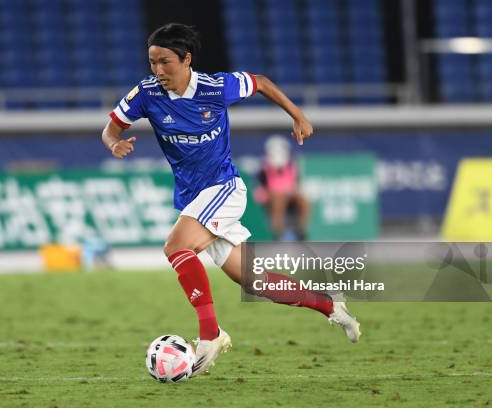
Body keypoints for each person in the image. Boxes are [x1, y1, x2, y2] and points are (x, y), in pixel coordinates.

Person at [101, 23, 360, 376]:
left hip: (224, 188)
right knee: (255, 281)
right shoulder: (146, 94)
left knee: (176, 248)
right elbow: (111, 127)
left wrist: (297, 115)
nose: (158, 70)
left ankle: (211, 334)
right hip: (194, 197)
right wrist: (114, 143)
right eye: (152, 62)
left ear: (186, 59)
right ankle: (329, 306)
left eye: (165, 62)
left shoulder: (216, 87)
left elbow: (262, 82)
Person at [255, 136, 310, 240]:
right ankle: (277, 233)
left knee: (304, 200)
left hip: (289, 196)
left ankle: (301, 231)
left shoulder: (292, 166)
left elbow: (296, 185)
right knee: (279, 199)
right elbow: (260, 191)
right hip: (273, 198)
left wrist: (292, 192)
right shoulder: (264, 169)